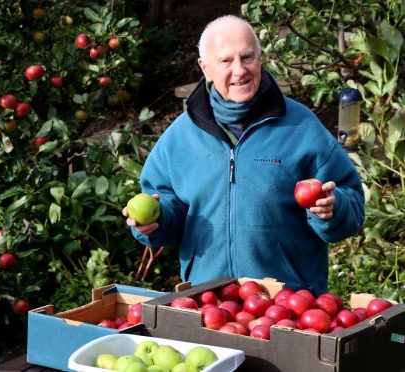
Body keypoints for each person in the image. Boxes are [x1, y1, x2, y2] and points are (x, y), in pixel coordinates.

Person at [123, 15, 365, 295]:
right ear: (206, 68)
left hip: (289, 305)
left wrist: (332, 209)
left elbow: (353, 202)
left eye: (247, 57)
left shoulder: (301, 127)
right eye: (226, 61)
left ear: (260, 60)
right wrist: (156, 221)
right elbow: (166, 207)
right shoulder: (180, 137)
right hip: (209, 302)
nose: (239, 70)